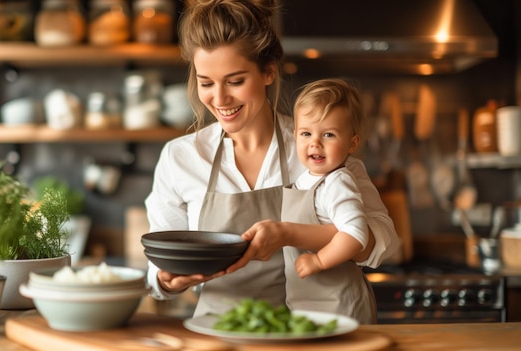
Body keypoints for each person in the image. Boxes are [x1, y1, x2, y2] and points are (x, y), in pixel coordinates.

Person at [144, 0, 399, 320]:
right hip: (223, 332)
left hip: (315, 330)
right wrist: (166, 280)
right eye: (206, 82)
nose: (219, 99)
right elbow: (158, 265)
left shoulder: (315, 146)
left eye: (235, 81)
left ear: (268, 71)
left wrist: (295, 234)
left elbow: (384, 243)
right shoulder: (181, 157)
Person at [280, 78, 377, 323]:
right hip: (309, 304)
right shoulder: (304, 180)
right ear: (295, 136)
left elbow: (356, 234)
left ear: (352, 143)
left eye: (328, 134)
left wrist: (319, 259)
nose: (315, 143)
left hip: (341, 306)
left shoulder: (338, 182)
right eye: (306, 133)